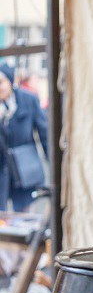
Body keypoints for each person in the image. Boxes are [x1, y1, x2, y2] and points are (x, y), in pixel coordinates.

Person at [0, 62, 48, 211]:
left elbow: (45, 134)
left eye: (1, 82)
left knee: (25, 215)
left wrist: (54, 163)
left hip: (24, 168)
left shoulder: (28, 100)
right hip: (2, 169)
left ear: (10, 81)